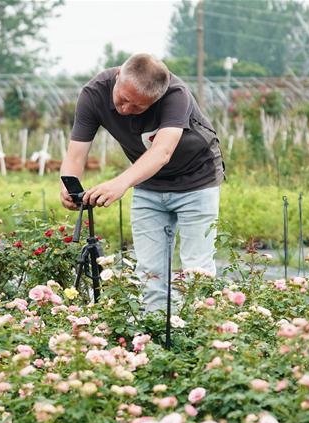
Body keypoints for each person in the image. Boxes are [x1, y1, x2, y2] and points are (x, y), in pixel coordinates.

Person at [59, 53, 225, 312]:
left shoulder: (176, 95)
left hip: (197, 180)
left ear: (157, 98)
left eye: (138, 107)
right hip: (149, 184)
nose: (126, 110)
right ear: (117, 78)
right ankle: (155, 338)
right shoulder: (94, 93)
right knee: (150, 272)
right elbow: (76, 152)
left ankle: (200, 338)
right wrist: (68, 183)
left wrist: (119, 184)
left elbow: (162, 152)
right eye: (123, 100)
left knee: (197, 269)